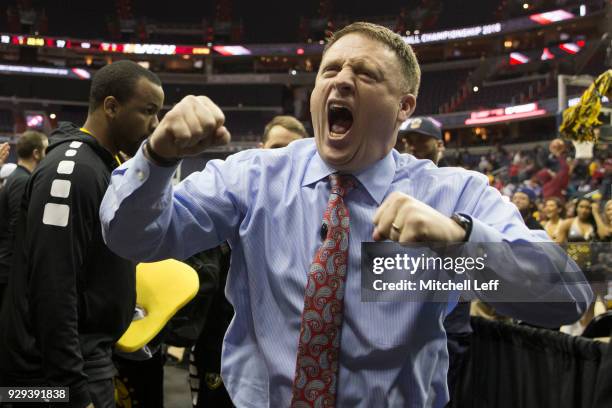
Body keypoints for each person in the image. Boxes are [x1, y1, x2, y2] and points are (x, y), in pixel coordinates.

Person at [100, 23, 591, 407]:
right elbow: (131, 238)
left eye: (365, 73)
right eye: (329, 71)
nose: (341, 81)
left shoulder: (453, 192)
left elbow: (567, 296)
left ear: (404, 107)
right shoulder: (254, 177)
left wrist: (458, 243)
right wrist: (158, 158)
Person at [0, 60, 164, 408]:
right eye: (148, 111)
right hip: (53, 378)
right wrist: (73, 391)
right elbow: (52, 283)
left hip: (82, 361)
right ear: (111, 106)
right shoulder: (73, 169)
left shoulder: (99, 164)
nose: (155, 125)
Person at [0, 130, 48, 306]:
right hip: (10, 268)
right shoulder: (22, 180)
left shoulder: (18, 177)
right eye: (46, 150)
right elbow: (17, 226)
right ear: (36, 153)